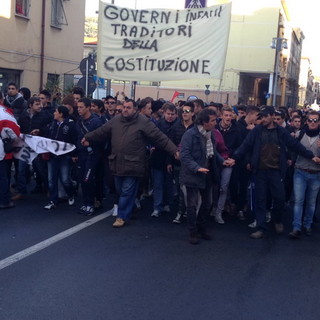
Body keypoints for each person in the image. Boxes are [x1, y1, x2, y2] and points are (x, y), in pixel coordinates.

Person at [82, 99, 178, 228]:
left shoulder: (144, 122)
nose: (125, 110)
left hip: (134, 164)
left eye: (128, 107)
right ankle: (132, 206)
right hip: (117, 163)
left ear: (135, 109)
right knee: (121, 191)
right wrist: (88, 137)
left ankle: (121, 217)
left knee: (127, 191)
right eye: (124, 107)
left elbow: (159, 137)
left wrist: (174, 150)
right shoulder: (116, 120)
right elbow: (102, 131)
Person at [233, 106, 320, 239]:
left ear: (272, 116)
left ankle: (277, 220)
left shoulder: (281, 132)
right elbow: (245, 145)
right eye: (260, 117)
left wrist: (310, 155)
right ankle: (261, 228)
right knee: (260, 200)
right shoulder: (257, 131)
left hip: (276, 172)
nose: (262, 119)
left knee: (280, 198)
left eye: (265, 116)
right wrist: (234, 158)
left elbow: (295, 145)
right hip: (260, 171)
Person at [180, 108, 234, 244]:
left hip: (208, 173)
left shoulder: (212, 134)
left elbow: (213, 152)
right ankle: (192, 232)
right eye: (213, 120)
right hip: (193, 174)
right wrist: (197, 168)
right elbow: (184, 155)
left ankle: (201, 228)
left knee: (207, 203)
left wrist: (223, 161)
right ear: (204, 122)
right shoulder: (190, 134)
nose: (215, 123)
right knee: (192, 204)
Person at [289, 111, 320, 239]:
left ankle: (308, 224)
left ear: (319, 122)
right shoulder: (299, 134)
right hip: (300, 172)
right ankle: (296, 227)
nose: (312, 123)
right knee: (298, 201)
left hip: (316, 173)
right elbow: (292, 148)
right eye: (310, 120)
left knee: (311, 202)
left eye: (315, 120)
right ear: (306, 121)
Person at [74, 98, 103, 216]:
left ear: (88, 107)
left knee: (88, 179)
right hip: (81, 155)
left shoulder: (96, 122)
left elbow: (102, 138)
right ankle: (84, 203)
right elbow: (76, 138)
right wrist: (75, 153)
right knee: (82, 180)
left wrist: (90, 143)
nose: (79, 110)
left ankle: (90, 203)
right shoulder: (78, 122)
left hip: (92, 155)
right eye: (78, 107)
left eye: (81, 107)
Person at [44, 106, 77, 210]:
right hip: (53, 156)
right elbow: (46, 136)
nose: (54, 113)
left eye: (56, 112)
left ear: (61, 114)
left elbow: (75, 140)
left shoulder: (71, 125)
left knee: (65, 179)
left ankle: (71, 193)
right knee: (51, 179)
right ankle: (53, 200)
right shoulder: (52, 125)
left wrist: (74, 154)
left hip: (65, 156)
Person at [150, 102, 178, 217]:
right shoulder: (158, 125)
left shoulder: (178, 126)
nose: (170, 116)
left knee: (169, 183)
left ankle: (167, 203)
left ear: (176, 114)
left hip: (171, 158)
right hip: (158, 157)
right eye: (168, 114)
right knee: (158, 183)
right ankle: (157, 207)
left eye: (172, 114)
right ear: (164, 113)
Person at [0, 91, 21, 208]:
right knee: (2, 175)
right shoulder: (4, 113)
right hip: (1, 149)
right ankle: (4, 200)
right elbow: (15, 132)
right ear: (2, 99)